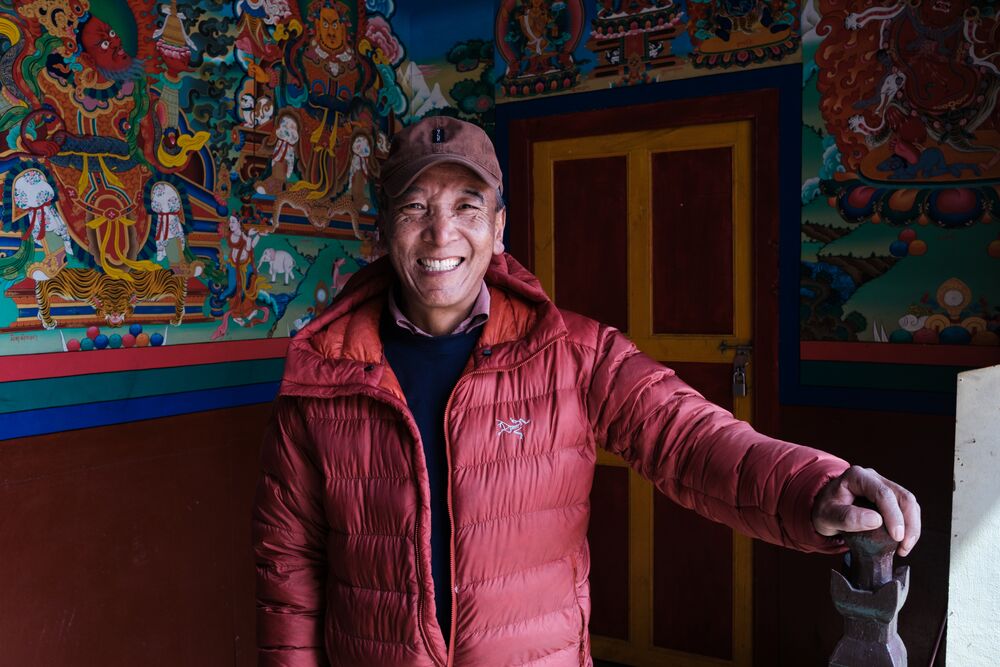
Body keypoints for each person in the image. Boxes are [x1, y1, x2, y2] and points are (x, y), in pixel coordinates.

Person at [253, 117, 920, 667]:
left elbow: (692, 440)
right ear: (385, 229)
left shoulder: (571, 354)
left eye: (466, 207)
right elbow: (290, 565)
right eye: (415, 208)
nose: (441, 233)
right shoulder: (324, 378)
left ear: (499, 226)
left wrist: (815, 489)